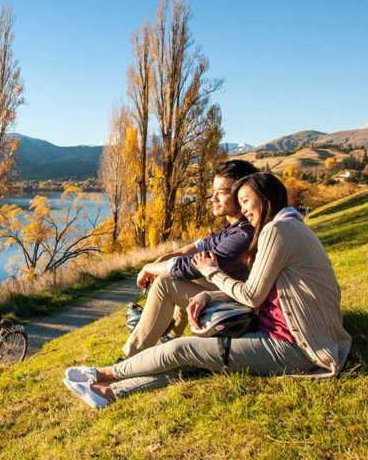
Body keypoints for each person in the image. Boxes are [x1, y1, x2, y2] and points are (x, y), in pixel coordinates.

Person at [64, 172, 351, 409]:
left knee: (181, 348)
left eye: (247, 201)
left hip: (296, 347)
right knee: (197, 361)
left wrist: (210, 272)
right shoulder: (293, 227)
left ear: (265, 199)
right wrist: (206, 295)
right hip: (300, 337)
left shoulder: (277, 231)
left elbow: (251, 296)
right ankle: (109, 393)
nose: (245, 211)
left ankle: (105, 374)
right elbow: (258, 290)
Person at [123, 159, 259, 357]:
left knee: (166, 283)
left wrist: (149, 267)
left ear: (241, 194)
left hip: (239, 310)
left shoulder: (243, 235)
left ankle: (131, 357)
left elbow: (188, 267)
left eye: (221, 192)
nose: (213, 198)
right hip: (231, 297)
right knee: (179, 274)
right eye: (213, 191)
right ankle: (169, 336)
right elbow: (197, 247)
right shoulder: (234, 229)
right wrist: (166, 257)